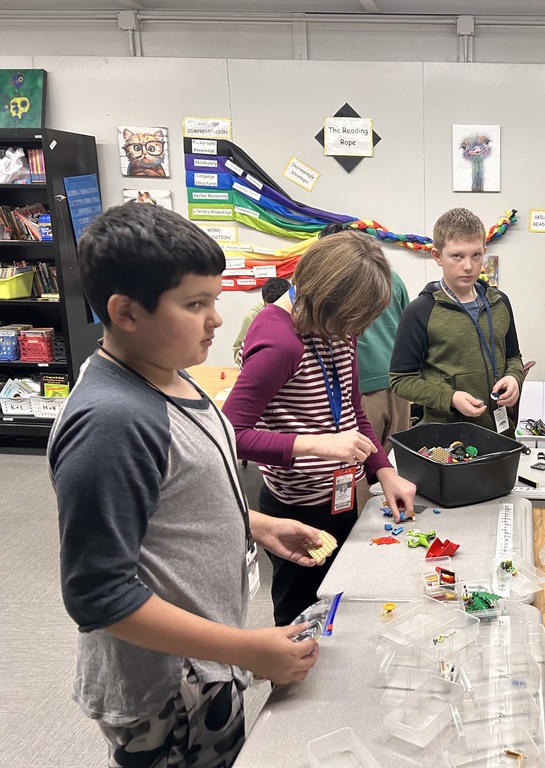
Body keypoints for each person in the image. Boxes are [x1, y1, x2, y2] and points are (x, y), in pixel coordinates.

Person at [49, 203, 321, 768]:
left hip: (205, 656)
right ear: (125, 312)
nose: (217, 319)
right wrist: (248, 649)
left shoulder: (169, 374)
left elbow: (170, 497)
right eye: (196, 304)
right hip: (165, 684)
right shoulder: (112, 422)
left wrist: (258, 524)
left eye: (215, 300)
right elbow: (99, 595)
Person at [224, 231, 417, 626]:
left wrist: (384, 471)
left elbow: (352, 411)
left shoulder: (335, 330)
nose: (356, 332)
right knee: (301, 622)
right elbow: (229, 436)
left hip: (338, 498)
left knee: (341, 610)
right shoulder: (281, 344)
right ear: (323, 298)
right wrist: (320, 446)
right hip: (296, 512)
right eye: (352, 320)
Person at [389, 207, 524, 435]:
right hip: (447, 438)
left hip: (501, 433)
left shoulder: (500, 302)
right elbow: (401, 380)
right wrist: (449, 398)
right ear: (437, 256)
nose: (469, 266)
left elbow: (513, 356)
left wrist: (514, 377)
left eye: (476, 255)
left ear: (484, 251)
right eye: (457, 256)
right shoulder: (420, 311)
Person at [319, 223, 411, 458]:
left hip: (363, 385)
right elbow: (407, 327)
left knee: (361, 465)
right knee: (400, 464)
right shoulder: (394, 278)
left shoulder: (334, 283)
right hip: (399, 382)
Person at [233, 276, 290, 365]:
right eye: (270, 307)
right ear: (264, 301)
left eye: (279, 308)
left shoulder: (295, 316)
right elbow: (237, 351)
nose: (275, 313)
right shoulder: (252, 317)